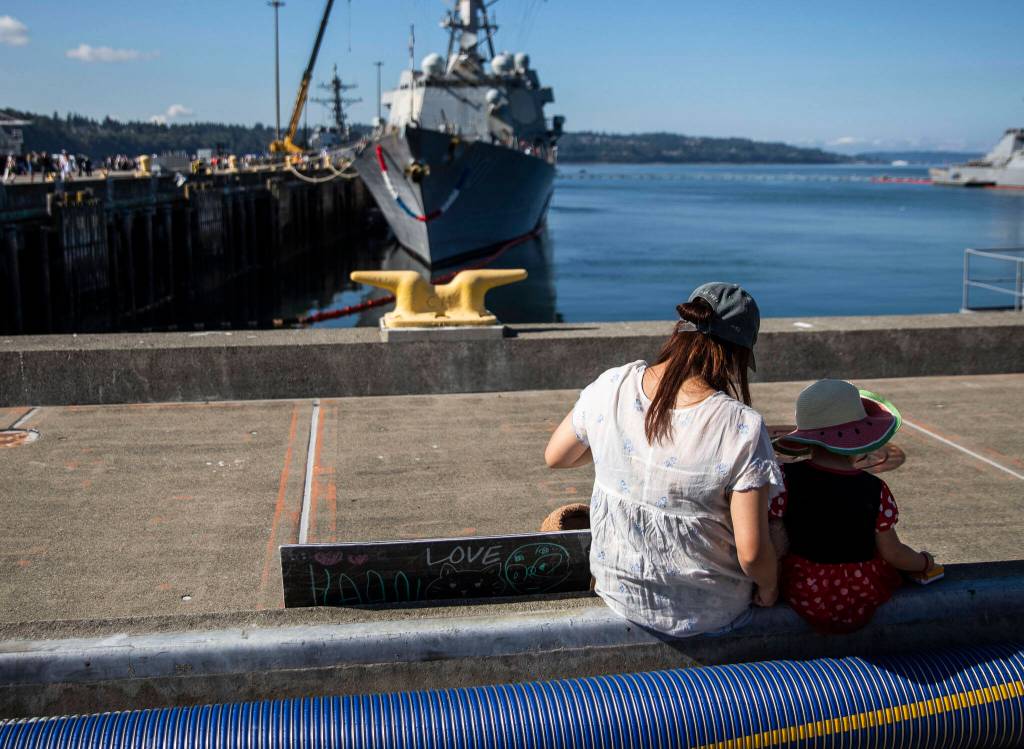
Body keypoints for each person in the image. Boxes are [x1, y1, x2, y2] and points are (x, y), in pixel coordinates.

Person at [544, 282, 783, 637]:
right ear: (737, 354)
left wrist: (623, 445)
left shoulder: (613, 384)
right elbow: (751, 555)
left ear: (679, 331)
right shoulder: (741, 427)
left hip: (618, 593)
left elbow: (557, 456)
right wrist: (770, 587)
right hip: (710, 611)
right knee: (781, 525)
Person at [771, 379, 936, 633]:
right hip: (860, 593)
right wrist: (924, 563)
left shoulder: (784, 478)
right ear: (861, 436)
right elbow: (893, 553)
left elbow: (775, 536)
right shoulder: (876, 489)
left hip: (802, 589)